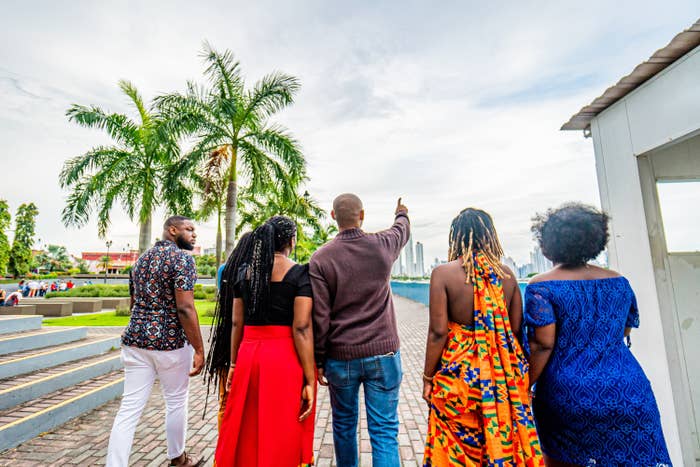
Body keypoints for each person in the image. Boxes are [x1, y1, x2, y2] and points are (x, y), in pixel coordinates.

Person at [525, 203, 671, 466]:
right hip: (629, 391)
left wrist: (523, 386)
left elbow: (542, 344)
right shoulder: (618, 281)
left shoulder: (541, 285)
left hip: (568, 395)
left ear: (548, 243)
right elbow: (624, 330)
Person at [422, 208, 544, 466]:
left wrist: (428, 378)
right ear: (490, 235)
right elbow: (514, 332)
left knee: (455, 451)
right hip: (501, 383)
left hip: (459, 380)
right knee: (496, 447)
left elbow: (438, 332)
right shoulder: (507, 276)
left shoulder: (443, 274)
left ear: (455, 236)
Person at [310, 194, 408, 467]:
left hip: (340, 358)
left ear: (333, 217)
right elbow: (402, 230)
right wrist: (401, 213)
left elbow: (321, 315)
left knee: (343, 426)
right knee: (384, 430)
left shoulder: (320, 259)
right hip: (384, 354)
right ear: (362, 215)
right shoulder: (381, 246)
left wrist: (318, 360)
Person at [214, 216, 316, 467]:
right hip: (284, 355)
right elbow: (301, 327)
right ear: (291, 241)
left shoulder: (244, 272)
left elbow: (237, 323)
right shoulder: (300, 274)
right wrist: (310, 378)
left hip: (249, 352)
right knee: (282, 425)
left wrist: (235, 365)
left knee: (246, 424)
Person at [106, 216, 205, 467]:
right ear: (172, 230)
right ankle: (178, 458)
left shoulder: (140, 262)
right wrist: (199, 348)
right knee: (175, 401)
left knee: (129, 409)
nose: (194, 235)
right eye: (189, 229)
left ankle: (114, 464)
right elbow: (185, 307)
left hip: (135, 341)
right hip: (169, 344)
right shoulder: (183, 259)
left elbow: (133, 304)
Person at [204, 231, 253, 430]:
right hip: (245, 339)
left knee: (225, 398)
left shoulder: (224, 270)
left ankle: (222, 450)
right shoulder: (251, 273)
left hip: (224, 340)